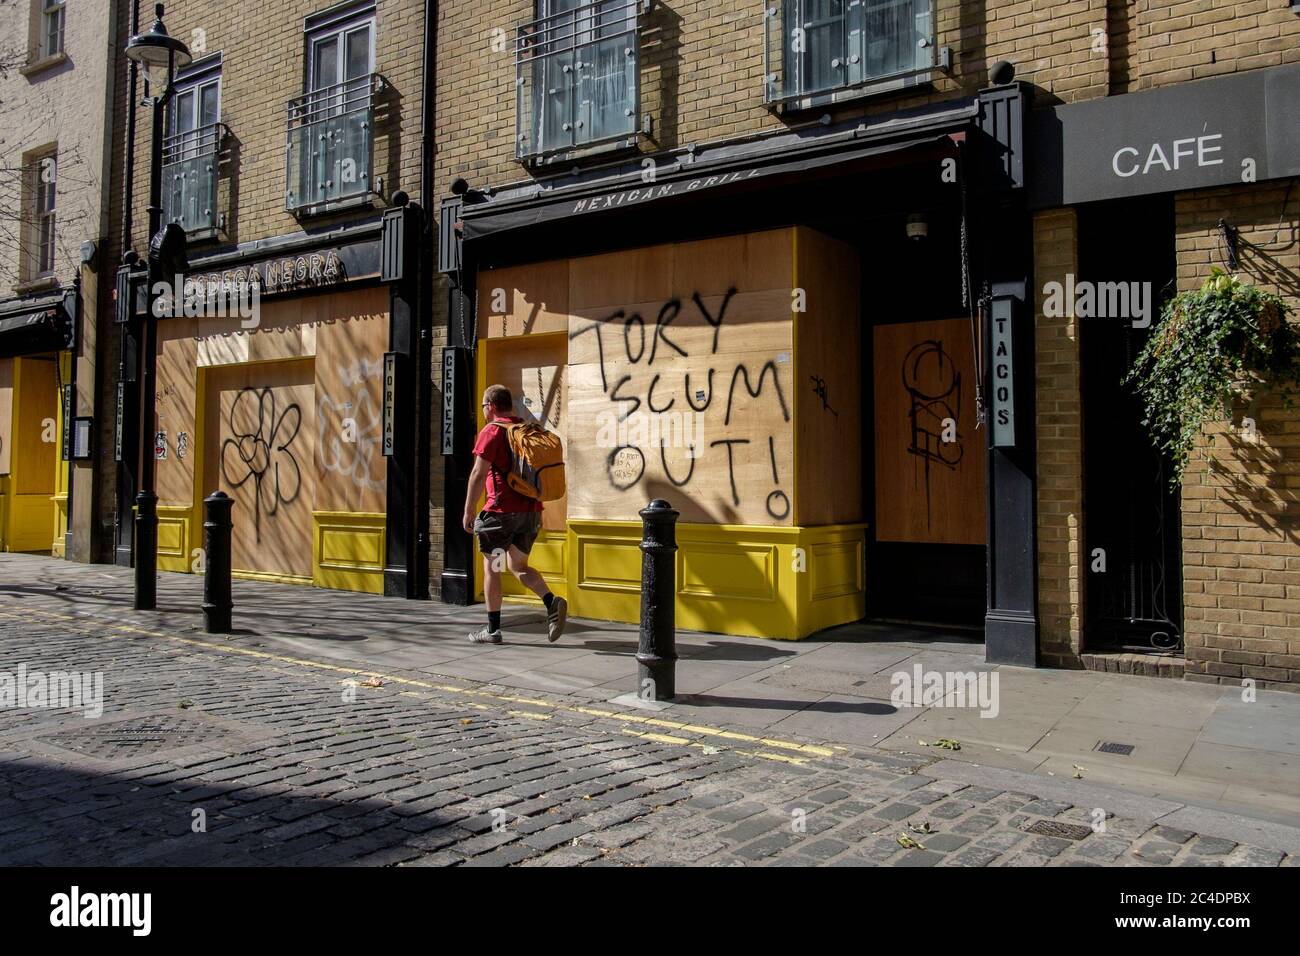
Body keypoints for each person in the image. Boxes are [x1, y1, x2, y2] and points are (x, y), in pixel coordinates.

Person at [463, 384, 567, 645]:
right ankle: (551, 601)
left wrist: (468, 510)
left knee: (493, 568)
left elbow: (478, 474)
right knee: (518, 566)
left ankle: (493, 630)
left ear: (491, 406)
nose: (484, 410)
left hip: (500, 515)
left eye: (484, 406)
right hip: (530, 514)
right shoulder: (525, 428)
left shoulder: (492, 432)